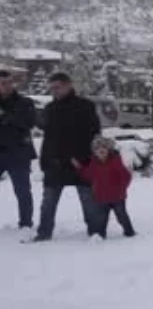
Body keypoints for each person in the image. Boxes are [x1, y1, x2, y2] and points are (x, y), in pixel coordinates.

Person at [30, 73, 101, 242]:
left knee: (89, 200)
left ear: (69, 85)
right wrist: (45, 161)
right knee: (48, 202)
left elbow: (94, 134)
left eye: (57, 87)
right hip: (54, 163)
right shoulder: (50, 109)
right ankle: (44, 233)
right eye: (52, 88)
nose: (54, 91)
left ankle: (96, 232)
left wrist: (85, 158)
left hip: (80, 162)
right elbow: (49, 138)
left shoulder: (85, 106)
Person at [70, 136, 135, 239]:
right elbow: (88, 175)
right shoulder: (93, 163)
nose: (101, 150)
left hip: (117, 196)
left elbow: (126, 176)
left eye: (104, 148)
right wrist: (79, 168)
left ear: (108, 150)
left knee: (121, 216)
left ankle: (129, 232)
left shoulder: (115, 161)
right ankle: (100, 235)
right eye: (98, 149)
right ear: (94, 152)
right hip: (101, 197)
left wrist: (122, 188)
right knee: (101, 219)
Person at [0, 69, 37, 232]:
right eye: (1, 83)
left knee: (22, 190)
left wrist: (6, 117)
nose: (5, 86)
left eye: (8, 82)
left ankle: (26, 223)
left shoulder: (25, 102)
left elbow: (29, 122)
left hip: (18, 152)